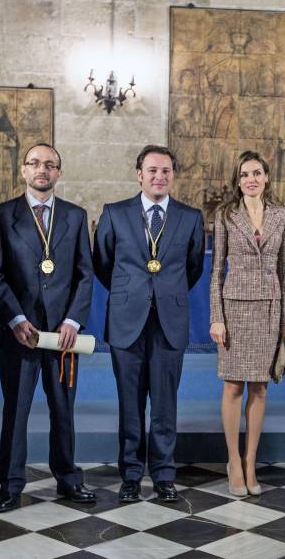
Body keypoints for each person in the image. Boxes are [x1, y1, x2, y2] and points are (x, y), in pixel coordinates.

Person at [0, 143, 95, 513]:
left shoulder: (76, 216)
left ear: (59, 173)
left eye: (50, 164)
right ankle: (11, 483)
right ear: (23, 170)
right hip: (21, 331)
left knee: (63, 408)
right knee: (16, 408)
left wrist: (72, 320)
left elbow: (84, 274)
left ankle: (68, 478)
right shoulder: (0, 216)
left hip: (62, 335)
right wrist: (15, 319)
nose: (42, 169)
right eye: (34, 163)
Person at [93, 144, 205, 502]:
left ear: (174, 175)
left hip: (169, 320)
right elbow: (103, 264)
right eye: (152, 170)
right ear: (139, 173)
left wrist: (163, 293)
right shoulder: (115, 213)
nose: (160, 176)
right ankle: (129, 474)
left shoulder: (190, 217)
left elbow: (193, 269)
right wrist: (135, 293)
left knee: (165, 403)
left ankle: (163, 474)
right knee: (129, 402)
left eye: (166, 171)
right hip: (127, 318)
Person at [208, 151, 285, 496]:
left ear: (267, 177)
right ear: (238, 180)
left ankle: (250, 462)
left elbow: (284, 271)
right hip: (235, 308)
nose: (251, 179)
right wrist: (216, 316)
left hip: (269, 309)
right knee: (233, 387)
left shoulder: (282, 215)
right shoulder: (226, 215)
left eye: (257, 172)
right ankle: (232, 460)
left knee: (259, 387)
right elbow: (215, 271)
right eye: (245, 174)